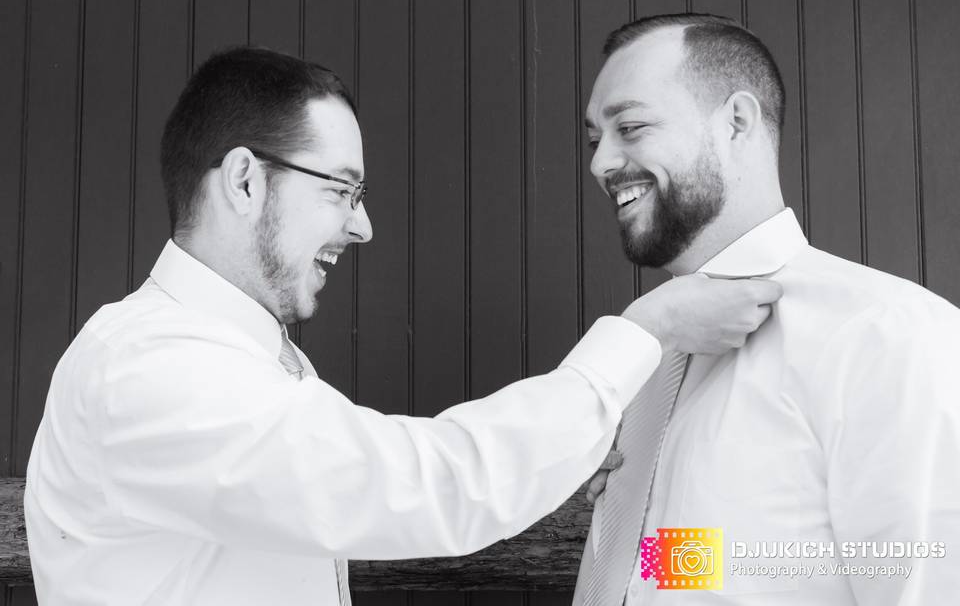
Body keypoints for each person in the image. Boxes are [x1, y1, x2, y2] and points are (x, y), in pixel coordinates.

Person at [23, 46, 782, 605]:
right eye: (342, 191)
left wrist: (571, 451)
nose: (364, 228)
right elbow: (426, 489)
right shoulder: (148, 371)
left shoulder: (243, 359)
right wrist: (644, 331)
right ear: (247, 180)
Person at [573, 14, 960, 605]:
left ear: (737, 121)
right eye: (596, 140)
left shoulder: (888, 336)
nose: (601, 164)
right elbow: (711, 569)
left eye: (630, 126)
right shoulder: (646, 356)